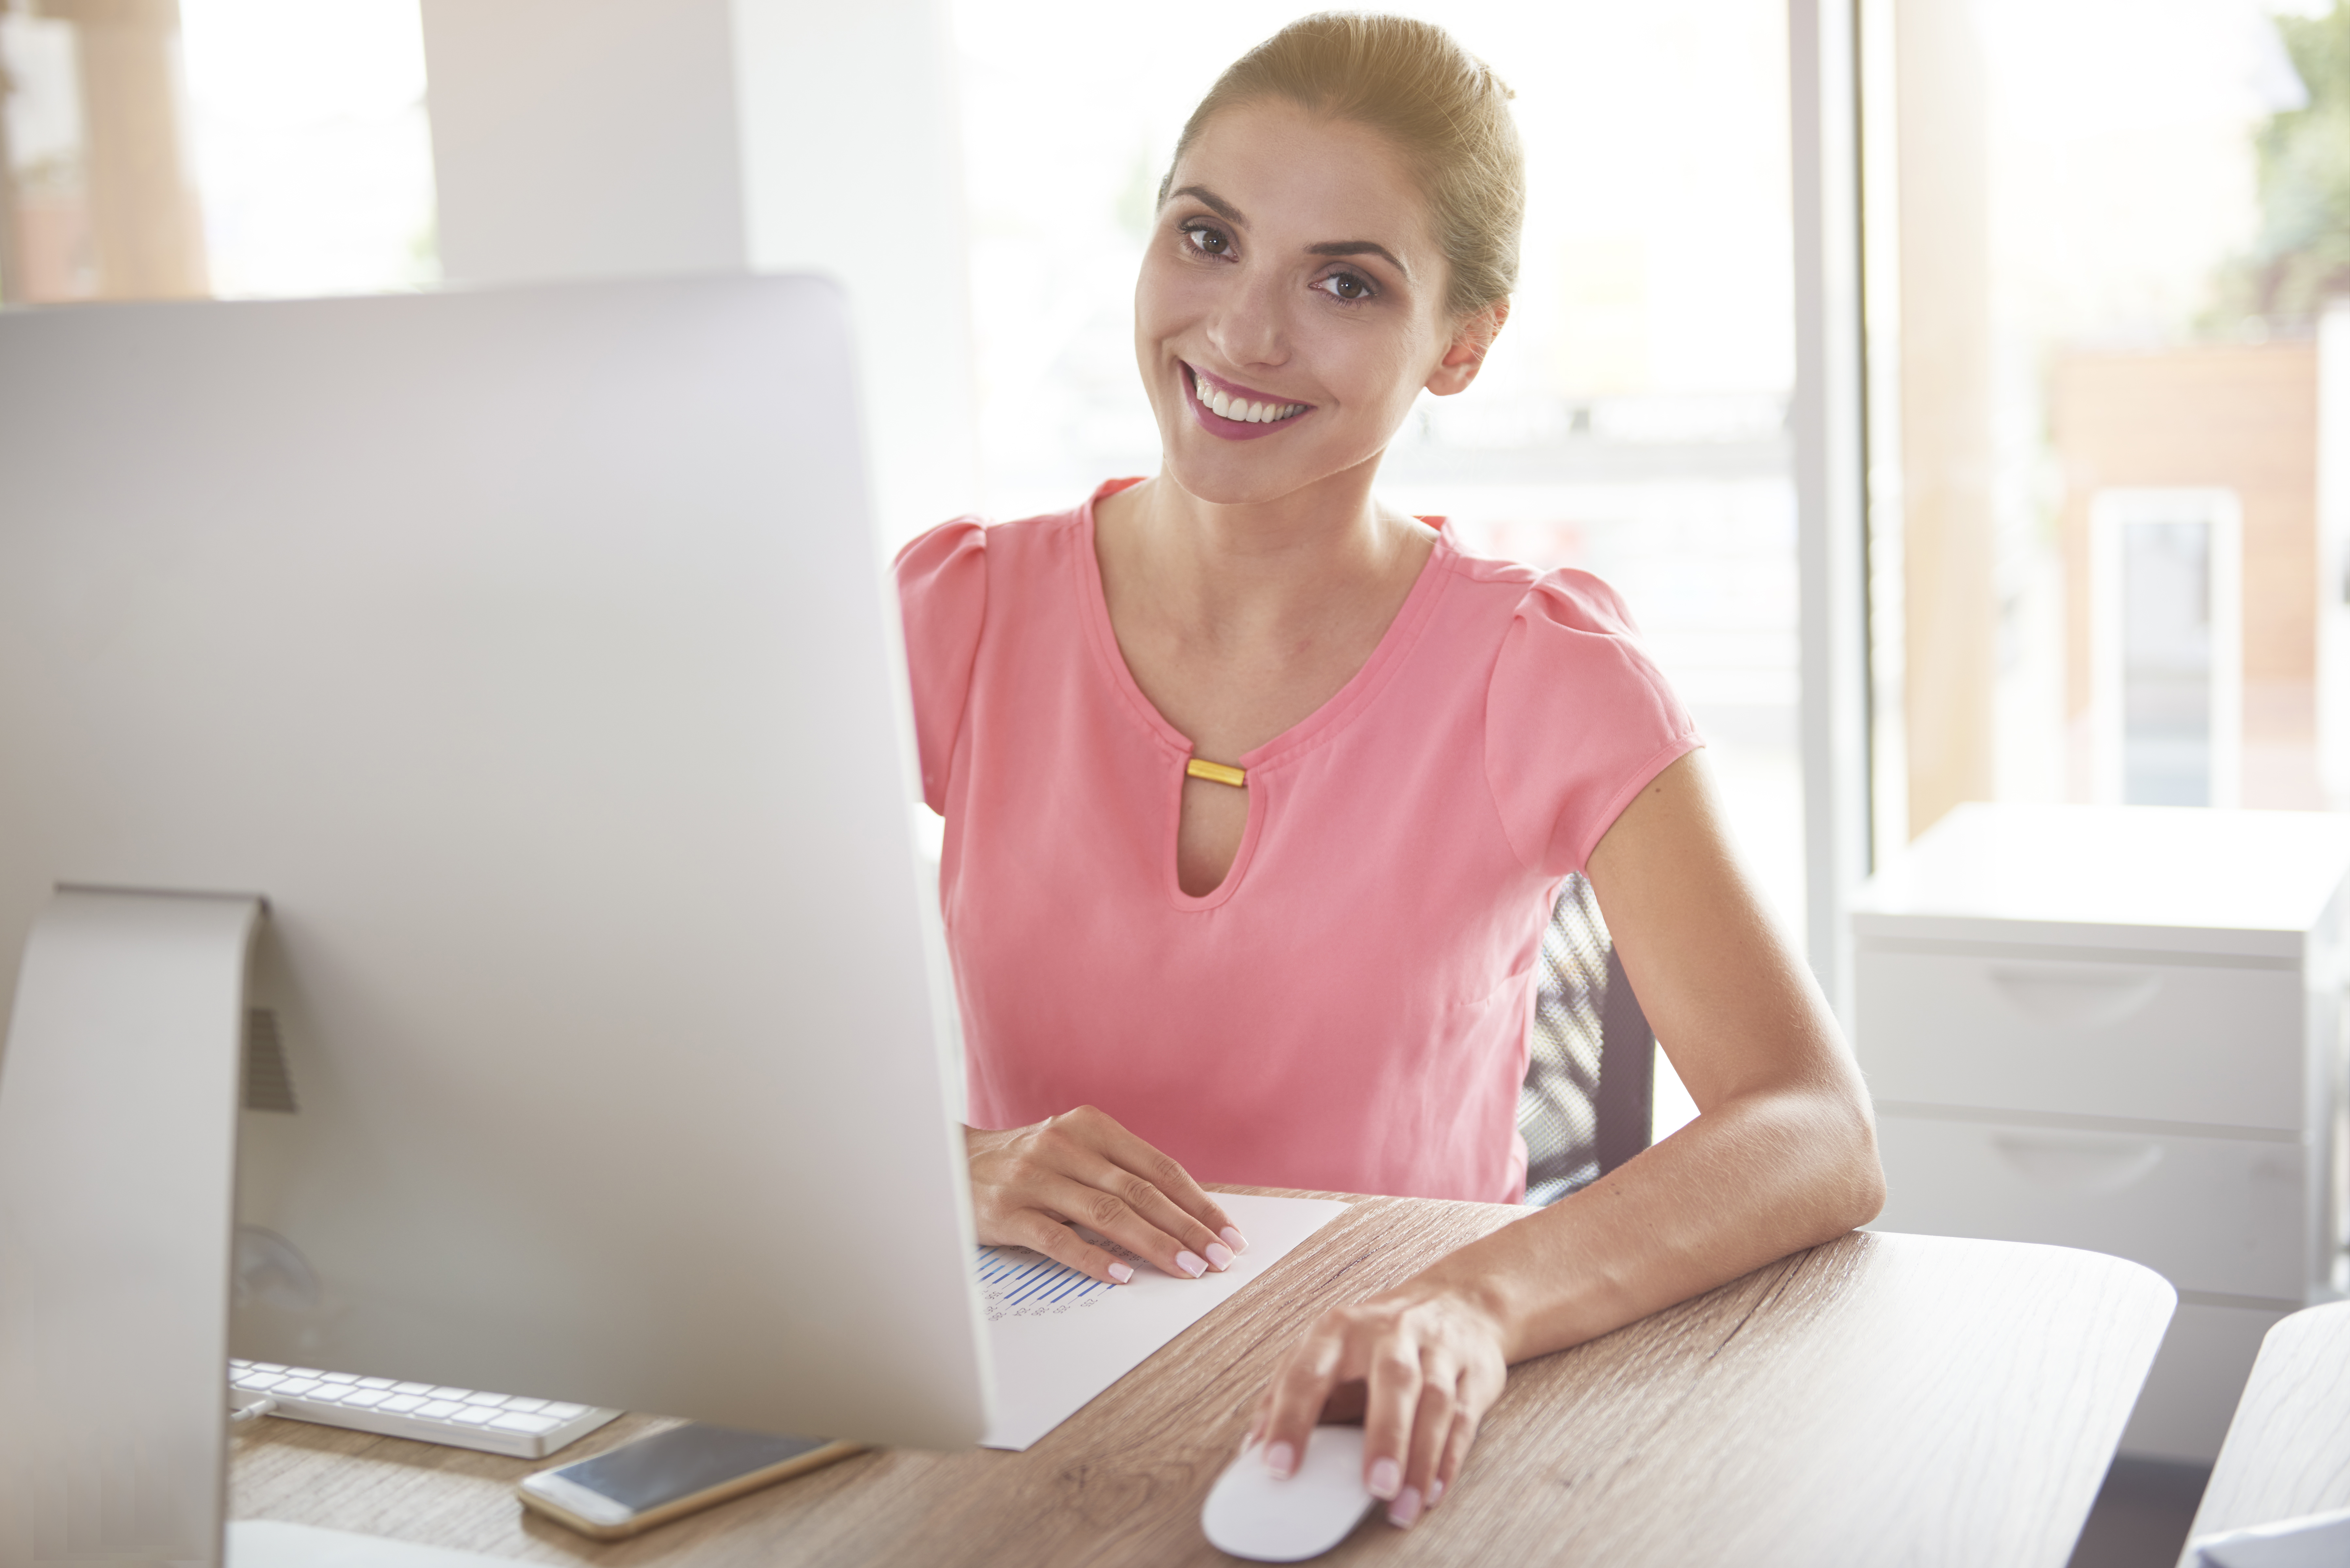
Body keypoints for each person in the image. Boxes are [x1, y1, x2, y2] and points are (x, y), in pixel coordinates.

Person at [895, 10, 1883, 1532]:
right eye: (1206, 237)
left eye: (1344, 282)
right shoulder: (952, 615)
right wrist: (932, 1166)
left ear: (1463, 343)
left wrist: (1470, 1305)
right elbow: (659, 990)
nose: (1242, 333)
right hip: (1023, 1420)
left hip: (1377, 1429)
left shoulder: (1538, 668)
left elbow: (1811, 1126)